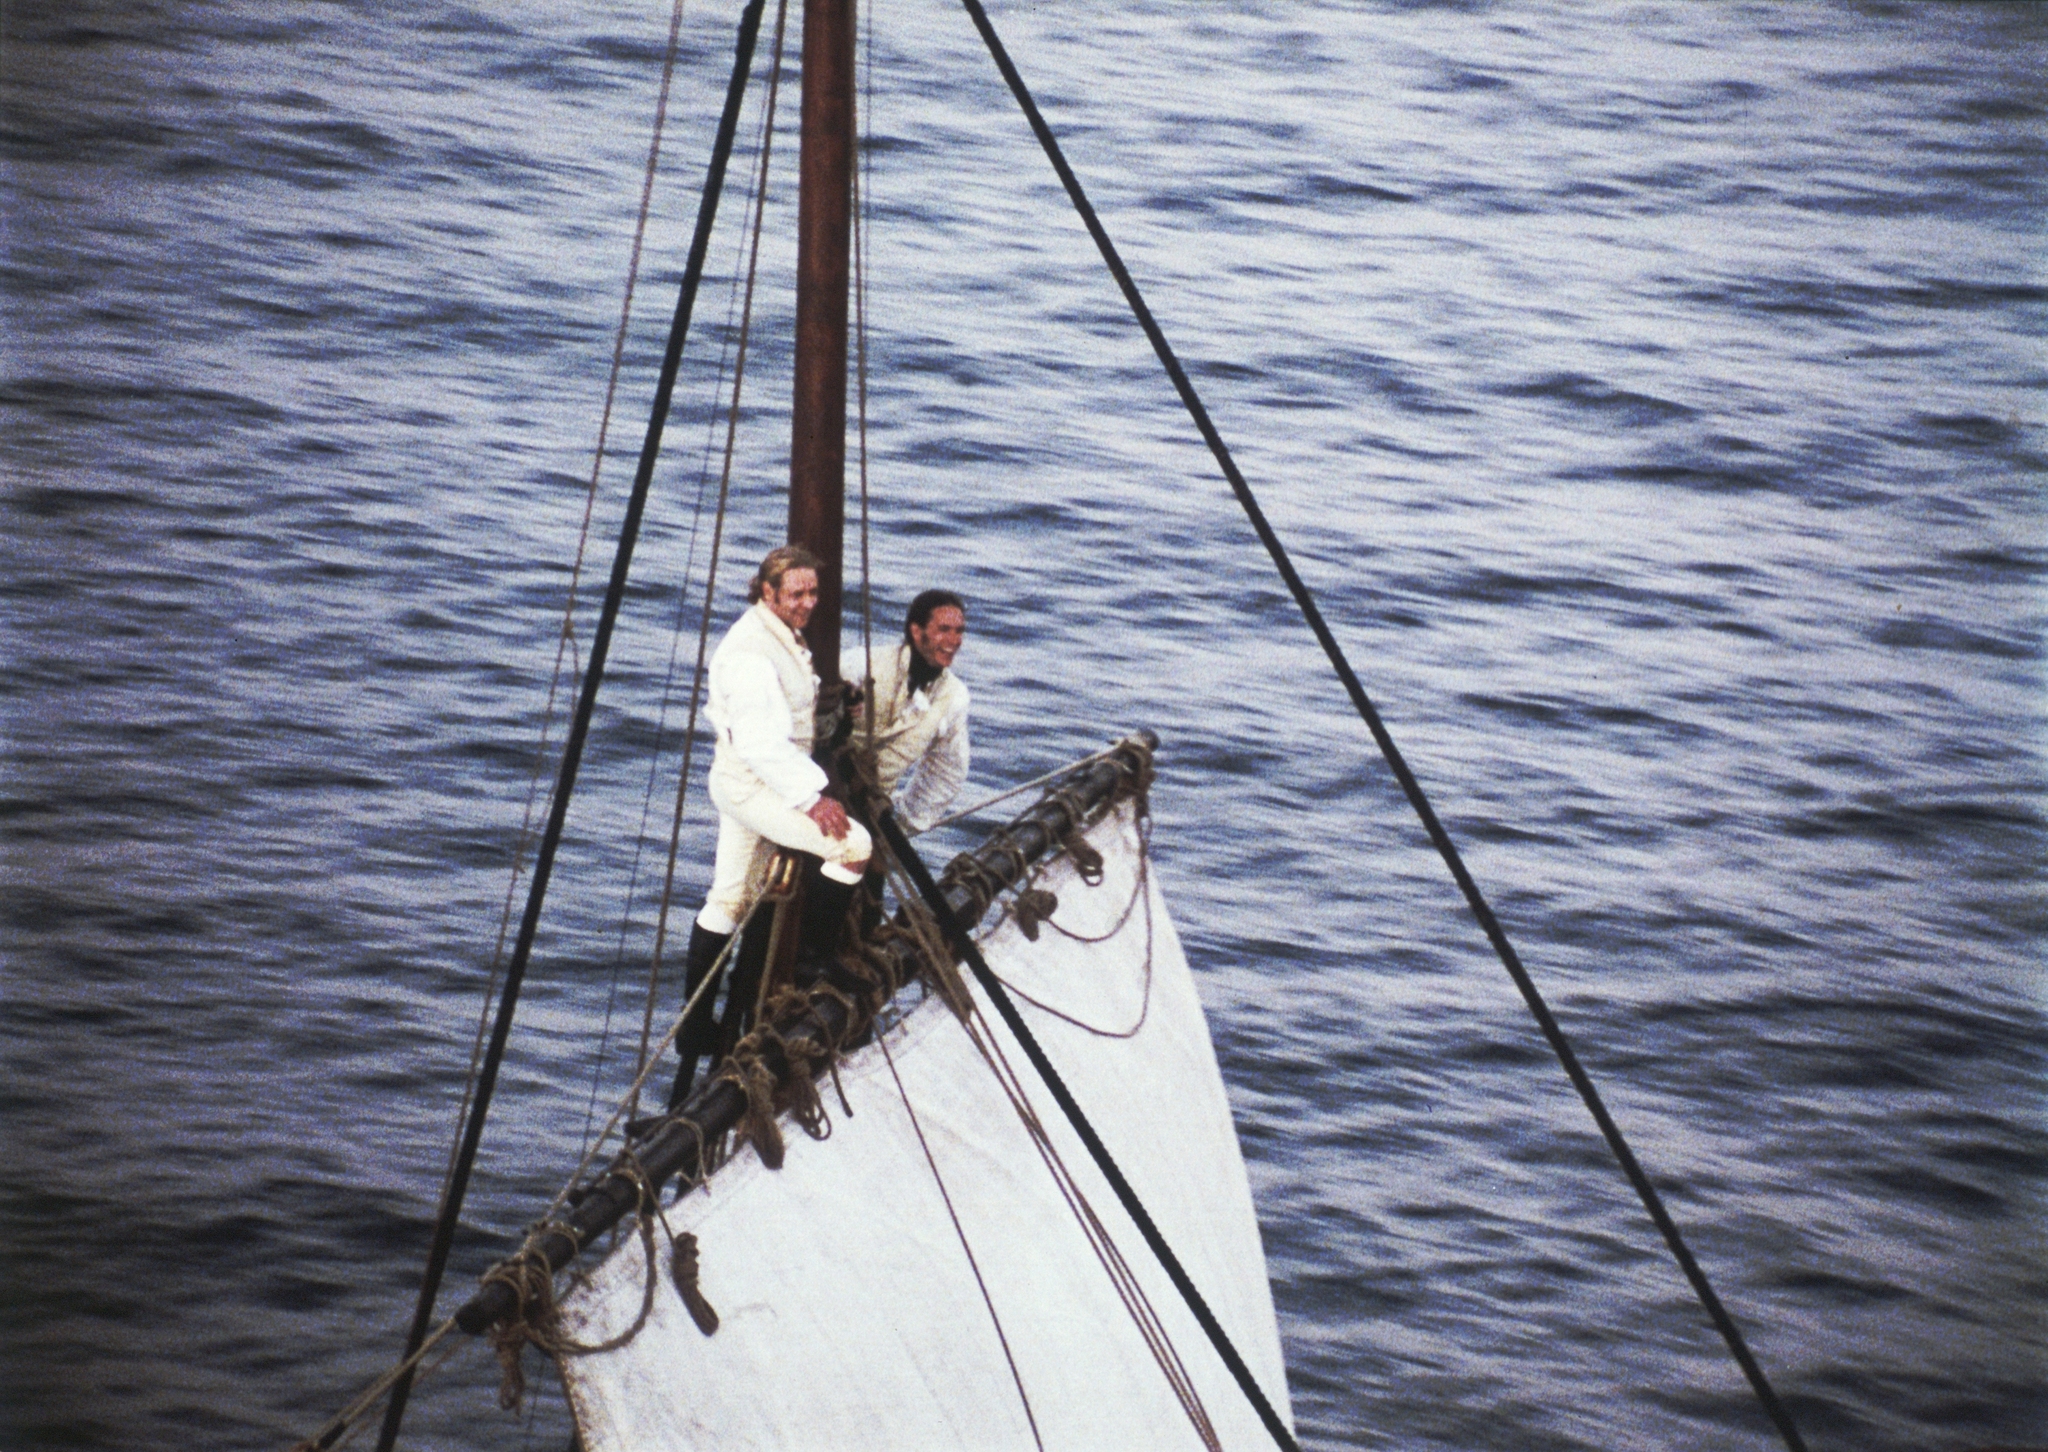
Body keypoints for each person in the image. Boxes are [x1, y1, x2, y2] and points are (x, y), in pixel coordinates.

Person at [670, 545, 871, 1108]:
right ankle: (814, 961)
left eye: (813, 592)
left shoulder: (775, 635)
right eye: (796, 594)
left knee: (731, 898)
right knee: (854, 845)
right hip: (758, 785)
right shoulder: (752, 654)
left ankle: (693, 1024)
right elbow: (761, 741)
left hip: (742, 782)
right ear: (767, 592)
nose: (807, 603)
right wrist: (811, 799)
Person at [841, 589, 970, 835]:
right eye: (943, 629)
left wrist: (903, 824)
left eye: (959, 631)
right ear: (916, 631)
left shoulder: (954, 698)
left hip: (866, 819)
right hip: (812, 793)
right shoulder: (861, 664)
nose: (954, 640)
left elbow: (947, 770)